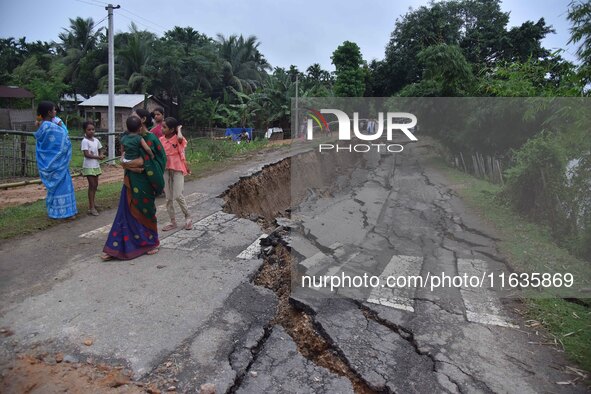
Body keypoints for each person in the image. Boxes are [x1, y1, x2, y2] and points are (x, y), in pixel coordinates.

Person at [101, 115, 166, 261]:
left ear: (142, 121)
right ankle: (115, 247)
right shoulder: (128, 137)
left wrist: (128, 164)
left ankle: (151, 242)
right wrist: (127, 164)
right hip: (130, 181)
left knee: (146, 212)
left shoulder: (151, 139)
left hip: (144, 182)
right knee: (124, 212)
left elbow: (156, 159)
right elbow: (122, 158)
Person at [34, 101, 77, 219]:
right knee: (63, 186)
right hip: (59, 165)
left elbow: (43, 145)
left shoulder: (42, 126)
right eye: (54, 110)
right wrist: (61, 124)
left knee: (54, 189)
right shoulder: (52, 127)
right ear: (49, 112)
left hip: (48, 162)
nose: (55, 111)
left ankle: (55, 212)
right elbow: (65, 137)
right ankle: (66, 213)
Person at [159, 117, 192, 231]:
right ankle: (173, 221)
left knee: (177, 195)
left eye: (165, 127)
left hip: (177, 169)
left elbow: (180, 138)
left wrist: (179, 129)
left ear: (172, 129)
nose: (162, 129)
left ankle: (187, 216)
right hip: (165, 169)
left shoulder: (178, 139)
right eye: (162, 126)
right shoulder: (161, 140)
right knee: (168, 197)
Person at [81, 120, 105, 216]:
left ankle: (93, 203)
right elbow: (86, 154)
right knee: (91, 185)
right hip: (88, 166)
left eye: (93, 129)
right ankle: (91, 207)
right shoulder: (85, 141)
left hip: (95, 165)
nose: (91, 131)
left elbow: (100, 149)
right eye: (89, 129)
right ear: (85, 130)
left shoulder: (96, 140)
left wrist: (101, 154)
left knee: (95, 185)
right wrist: (98, 157)